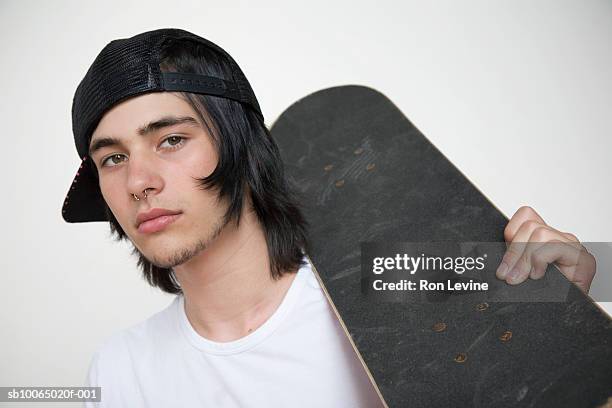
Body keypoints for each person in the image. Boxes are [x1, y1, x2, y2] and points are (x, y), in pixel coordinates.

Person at [63, 28, 596, 407]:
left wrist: (567, 302)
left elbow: (582, 278)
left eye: (172, 140)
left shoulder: (399, 278)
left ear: (244, 148)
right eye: (113, 158)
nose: (139, 181)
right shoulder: (121, 371)